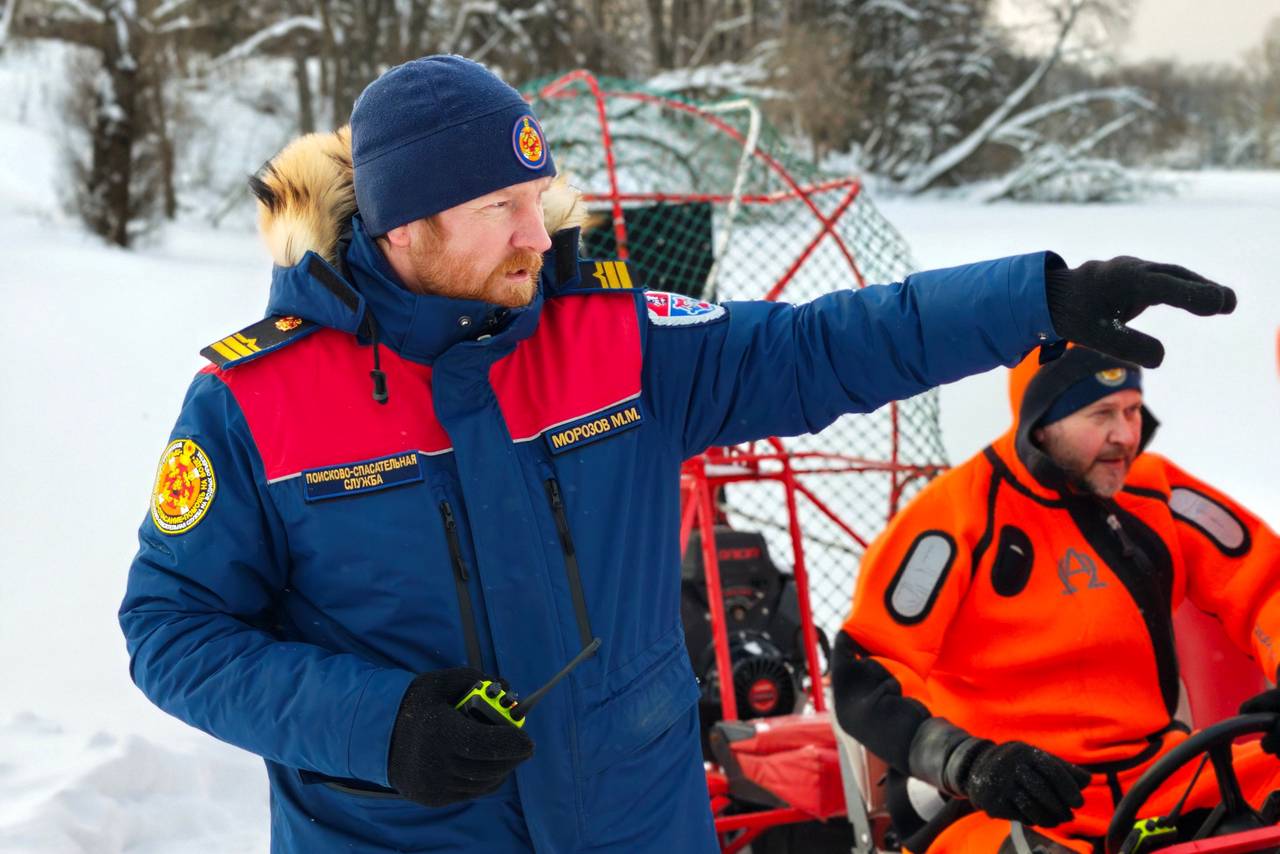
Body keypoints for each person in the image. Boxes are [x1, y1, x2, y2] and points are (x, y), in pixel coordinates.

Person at [119, 54, 1236, 854]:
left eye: (536, 196)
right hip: (395, 828)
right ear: (403, 231)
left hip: (634, 819)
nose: (536, 232)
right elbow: (171, 630)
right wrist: (378, 722)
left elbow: (826, 343)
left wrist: (1036, 298)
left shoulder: (616, 340)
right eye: (499, 208)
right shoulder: (253, 401)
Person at [833, 345, 1280, 853]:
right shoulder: (955, 519)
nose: (1126, 435)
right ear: (1041, 421)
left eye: (1133, 410)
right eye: (1102, 414)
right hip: (1000, 800)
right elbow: (867, 670)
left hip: (1159, 781)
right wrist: (971, 763)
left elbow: (1265, 583)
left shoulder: (1156, 492)